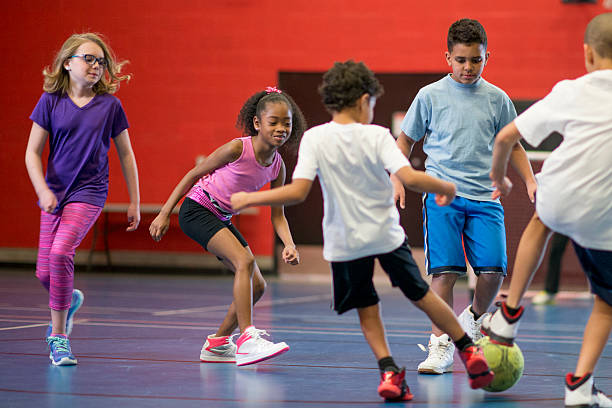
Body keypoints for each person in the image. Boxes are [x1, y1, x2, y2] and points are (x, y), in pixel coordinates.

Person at [231, 60, 494, 401]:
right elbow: (411, 177)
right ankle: (467, 349)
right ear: (363, 100)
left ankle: (388, 371)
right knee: (422, 295)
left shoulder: (314, 138)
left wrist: (250, 197)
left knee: (367, 306)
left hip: (344, 243)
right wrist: (445, 186)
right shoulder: (377, 135)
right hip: (385, 235)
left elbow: (297, 192)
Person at [395, 18, 537, 374]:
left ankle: (473, 318)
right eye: (461, 60)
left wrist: (531, 181)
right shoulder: (429, 95)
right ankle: (440, 345)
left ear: (487, 57)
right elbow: (404, 140)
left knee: (493, 271)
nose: (468, 68)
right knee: (444, 273)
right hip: (442, 196)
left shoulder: (498, 99)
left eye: (476, 60)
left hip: (485, 198)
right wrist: (398, 177)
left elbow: (514, 145)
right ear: (447, 57)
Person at [485, 12, 612, 407]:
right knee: (606, 306)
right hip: (605, 213)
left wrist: (499, 177)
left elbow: (506, 136)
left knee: (540, 221)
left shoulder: (570, 90)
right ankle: (579, 387)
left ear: (587, 53)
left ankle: (508, 312)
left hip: (558, 194)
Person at [149, 87, 305, 367]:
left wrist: (289, 244)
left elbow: (278, 214)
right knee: (244, 261)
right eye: (274, 122)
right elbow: (194, 174)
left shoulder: (277, 166)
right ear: (257, 123)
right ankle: (247, 338)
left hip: (220, 217)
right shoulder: (237, 148)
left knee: (258, 285)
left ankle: (218, 344)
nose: (281, 128)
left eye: (287, 123)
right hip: (197, 208)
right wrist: (164, 213)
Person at [25, 33, 141, 366]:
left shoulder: (110, 106)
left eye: (101, 61)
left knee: (62, 252)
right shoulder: (50, 101)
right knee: (45, 274)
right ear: (67, 63)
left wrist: (135, 200)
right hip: (54, 194)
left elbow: (127, 155)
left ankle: (58, 337)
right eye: (88, 58)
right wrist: (43, 191)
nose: (95, 65)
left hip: (89, 193)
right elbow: (32, 153)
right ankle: (69, 298)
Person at [531, 232, 569, 305]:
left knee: (590, 249)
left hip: (586, 222)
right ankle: (550, 291)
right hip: (564, 222)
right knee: (556, 248)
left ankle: (596, 289)